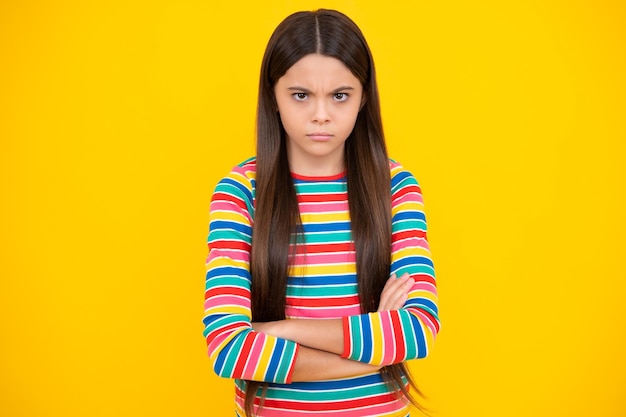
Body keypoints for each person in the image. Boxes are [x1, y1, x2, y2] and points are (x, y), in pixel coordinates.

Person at [203, 9, 440, 417]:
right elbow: (228, 350)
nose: (321, 115)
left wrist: (278, 330)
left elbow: (416, 332)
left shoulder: (396, 188)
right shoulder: (240, 191)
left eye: (340, 95)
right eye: (300, 95)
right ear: (273, 96)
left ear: (364, 97)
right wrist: (372, 350)